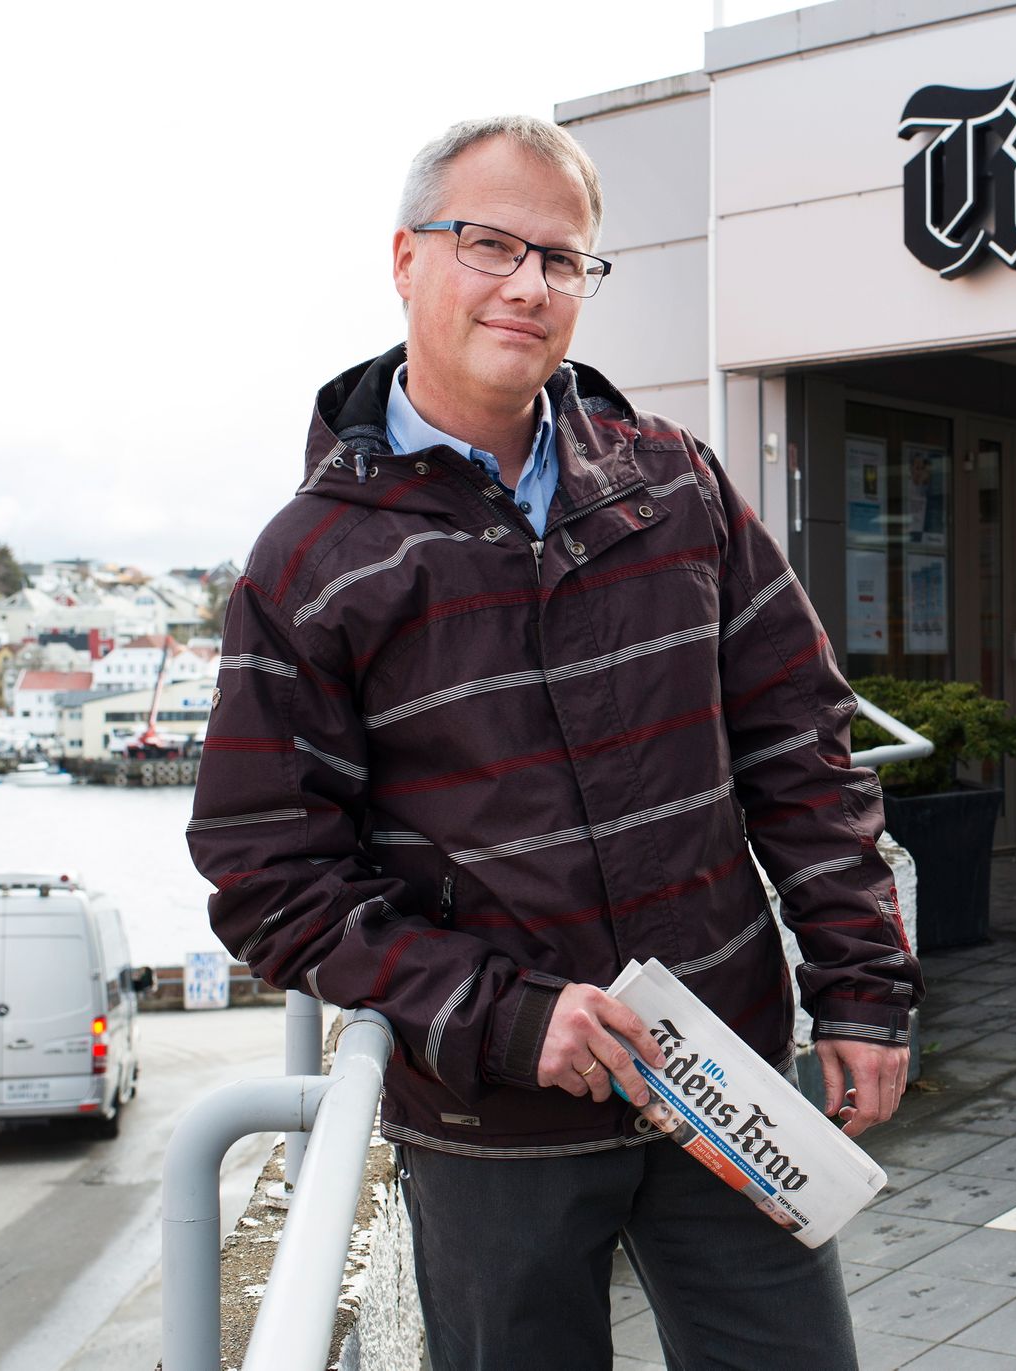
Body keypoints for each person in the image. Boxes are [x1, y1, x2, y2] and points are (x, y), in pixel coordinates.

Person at [187, 113, 922, 1371]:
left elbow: (800, 749)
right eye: (489, 245)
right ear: (406, 260)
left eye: (563, 258)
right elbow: (268, 872)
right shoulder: (312, 560)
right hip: (490, 1122)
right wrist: (507, 1017)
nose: (528, 285)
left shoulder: (675, 485)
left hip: (724, 1077)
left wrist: (861, 988)